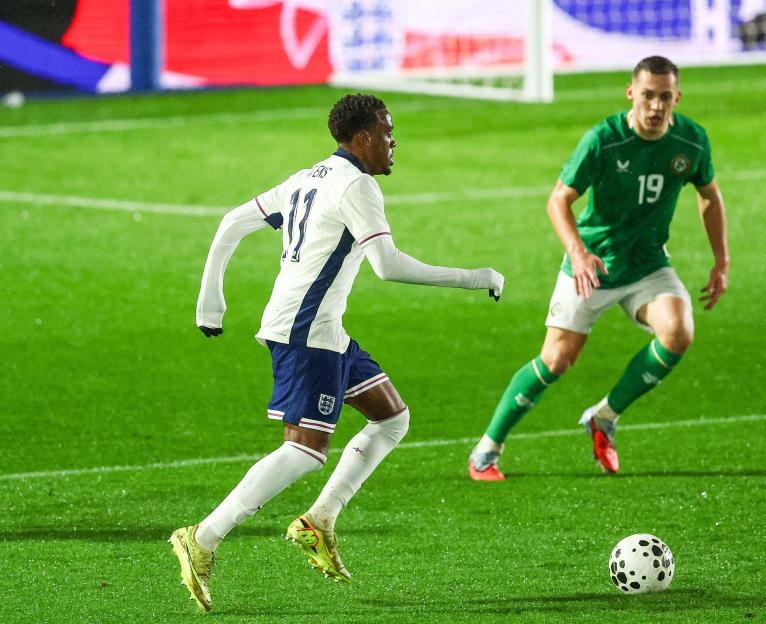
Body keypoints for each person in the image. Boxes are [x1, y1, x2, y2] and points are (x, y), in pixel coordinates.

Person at [170, 93, 504, 611]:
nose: (394, 144)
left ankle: (319, 519)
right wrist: (475, 277)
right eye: (388, 134)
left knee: (392, 418)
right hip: (306, 332)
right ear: (365, 138)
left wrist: (209, 304)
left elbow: (231, 222)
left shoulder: (308, 177)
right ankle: (202, 538)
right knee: (303, 452)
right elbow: (387, 266)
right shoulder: (357, 186)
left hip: (326, 331)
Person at [468, 56, 729, 481]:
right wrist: (577, 251)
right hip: (592, 265)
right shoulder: (603, 140)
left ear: (677, 98)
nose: (656, 106)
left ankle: (604, 417)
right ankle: (487, 449)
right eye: (647, 95)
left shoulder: (692, 141)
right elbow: (558, 200)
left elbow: (709, 195)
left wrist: (722, 260)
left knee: (679, 331)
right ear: (631, 93)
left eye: (665, 97)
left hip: (647, 265)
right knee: (556, 360)